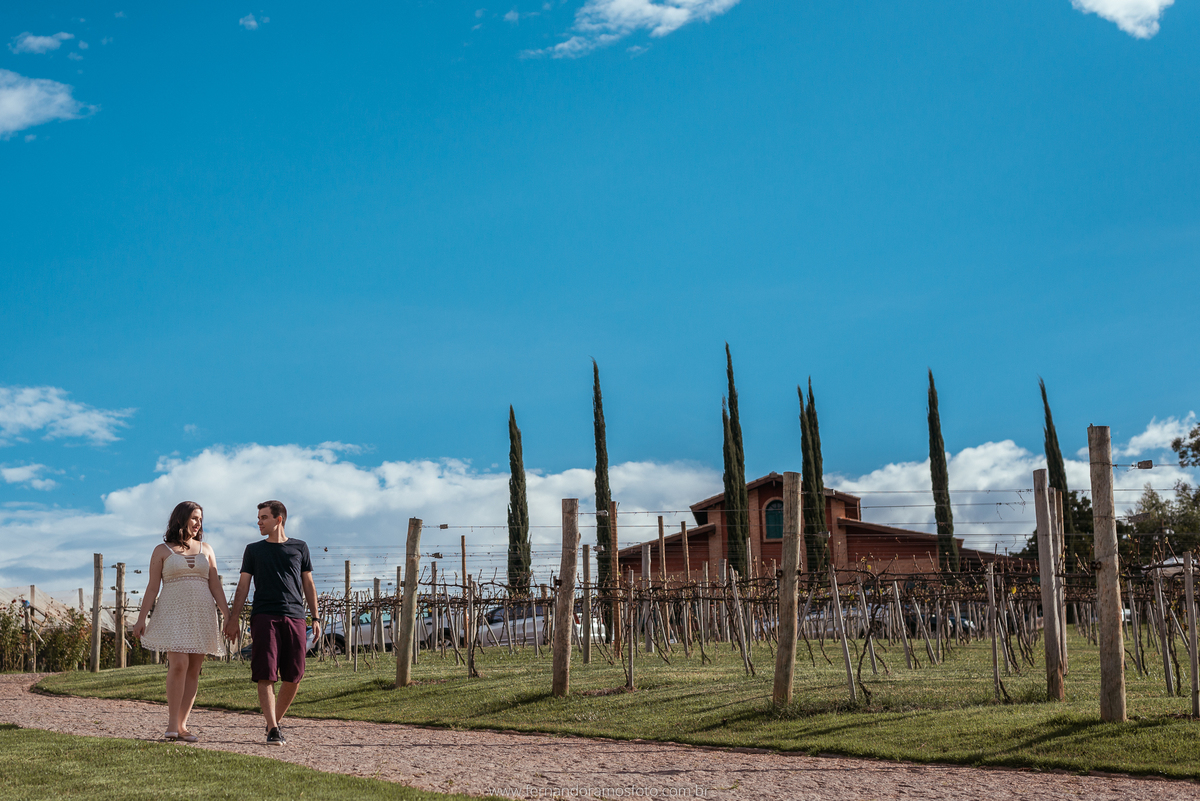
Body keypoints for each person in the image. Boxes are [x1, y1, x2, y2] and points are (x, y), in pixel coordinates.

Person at [131, 501, 230, 742]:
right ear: (181, 518)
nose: (198, 523)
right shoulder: (162, 550)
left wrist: (228, 615)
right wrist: (141, 618)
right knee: (178, 665)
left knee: (194, 668)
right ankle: (172, 724)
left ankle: (183, 725)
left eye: (200, 519)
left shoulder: (206, 549)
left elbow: (215, 584)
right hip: (174, 613)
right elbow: (153, 586)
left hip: (202, 613)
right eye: (194, 518)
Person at [224, 500, 320, 746]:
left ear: (279, 520)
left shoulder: (300, 547)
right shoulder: (253, 550)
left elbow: (308, 584)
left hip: (295, 616)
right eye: (258, 518)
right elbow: (243, 586)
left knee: (294, 675)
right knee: (265, 673)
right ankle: (274, 729)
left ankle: (272, 722)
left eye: (263, 518)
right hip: (264, 615)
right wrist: (234, 618)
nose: (259, 522)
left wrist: (315, 617)